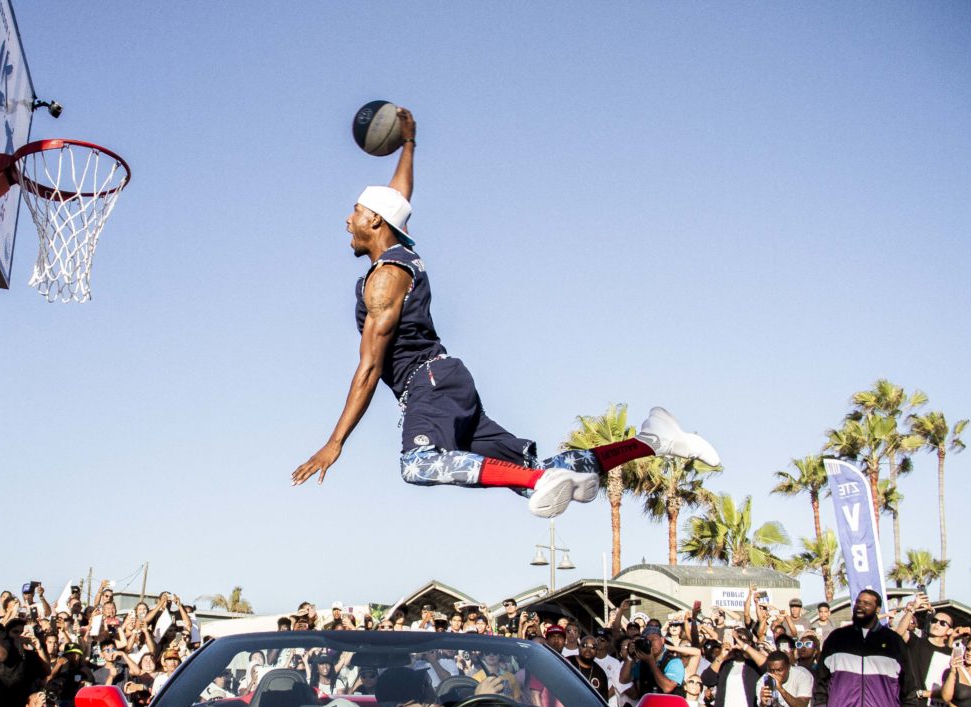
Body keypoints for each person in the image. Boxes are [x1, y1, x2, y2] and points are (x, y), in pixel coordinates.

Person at [291, 107, 719, 518]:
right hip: (447, 382)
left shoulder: (384, 278)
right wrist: (408, 143)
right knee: (543, 470)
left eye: (357, 212)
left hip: (429, 385)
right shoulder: (400, 248)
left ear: (377, 223)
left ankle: (539, 479)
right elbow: (399, 197)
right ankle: (653, 440)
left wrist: (335, 442)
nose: (349, 220)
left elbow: (369, 368)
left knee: (419, 464)